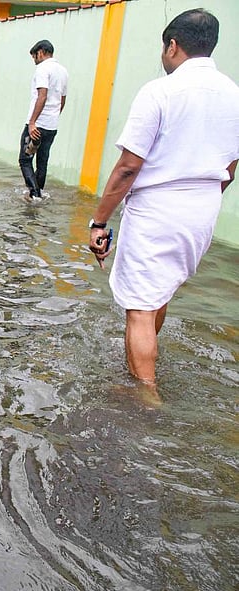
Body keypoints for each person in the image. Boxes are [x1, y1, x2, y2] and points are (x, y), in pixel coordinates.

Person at [88, 8, 239, 392]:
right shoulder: (233, 94)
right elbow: (231, 167)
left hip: (158, 209)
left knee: (139, 308)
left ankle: (145, 397)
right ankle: (144, 367)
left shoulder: (160, 91)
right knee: (160, 291)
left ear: (173, 45)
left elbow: (128, 166)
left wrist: (99, 222)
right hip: (204, 209)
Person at [19, 39, 68, 199]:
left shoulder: (42, 69)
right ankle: (38, 193)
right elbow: (62, 100)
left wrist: (33, 122)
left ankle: (34, 194)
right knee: (42, 161)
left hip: (37, 126)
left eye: (34, 57)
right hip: (51, 126)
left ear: (40, 52)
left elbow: (42, 95)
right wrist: (53, 117)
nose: (34, 60)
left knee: (25, 160)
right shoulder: (63, 71)